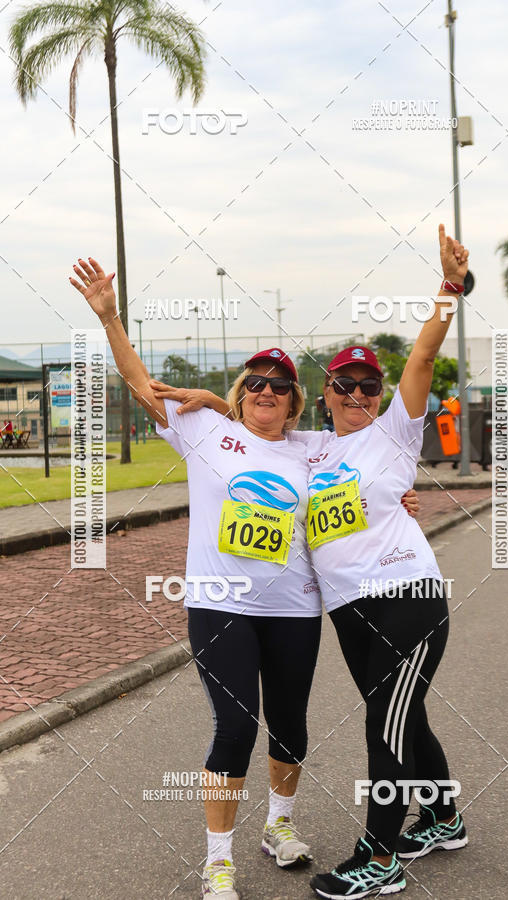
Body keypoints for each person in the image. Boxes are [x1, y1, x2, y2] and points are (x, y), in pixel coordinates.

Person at [153, 224, 462, 898]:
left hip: (405, 596)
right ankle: (443, 814)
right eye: (345, 385)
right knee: (402, 713)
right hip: (346, 606)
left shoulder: (396, 430)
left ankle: (379, 856)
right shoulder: (311, 447)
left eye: (368, 386)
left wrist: (446, 290)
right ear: (324, 396)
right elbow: (257, 432)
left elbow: (424, 359)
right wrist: (214, 403)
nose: (358, 395)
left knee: (387, 720)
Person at [69, 258, 321, 900]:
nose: (268, 391)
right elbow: (141, 383)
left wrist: (400, 503)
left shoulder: (310, 450)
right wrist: (108, 316)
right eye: (257, 382)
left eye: (280, 386)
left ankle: (279, 826)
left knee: (290, 724)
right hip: (220, 606)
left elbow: (369, 471)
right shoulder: (205, 429)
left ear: (294, 401)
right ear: (244, 391)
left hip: (295, 606)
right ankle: (218, 862)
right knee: (236, 728)